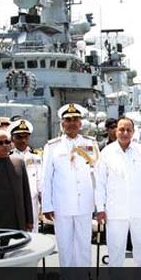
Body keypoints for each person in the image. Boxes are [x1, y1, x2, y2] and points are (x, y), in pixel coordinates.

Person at [95, 117, 141, 267]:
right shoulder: (107, 153)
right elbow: (100, 184)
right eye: (121, 129)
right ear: (115, 131)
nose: (125, 133)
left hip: (139, 210)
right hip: (115, 211)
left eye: (128, 130)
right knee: (116, 251)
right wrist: (100, 209)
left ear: (133, 132)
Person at [42, 103, 99, 267]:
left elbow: (97, 174)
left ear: (81, 123)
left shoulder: (90, 144)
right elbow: (47, 178)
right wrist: (47, 205)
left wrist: (99, 203)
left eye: (75, 119)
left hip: (85, 204)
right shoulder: (52, 147)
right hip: (62, 205)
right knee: (65, 246)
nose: (72, 123)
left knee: (84, 245)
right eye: (68, 119)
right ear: (62, 123)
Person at [9, 119, 43, 233]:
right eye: (19, 137)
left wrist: (44, 203)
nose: (23, 140)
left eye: (26, 137)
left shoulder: (36, 158)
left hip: (33, 204)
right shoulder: (7, 158)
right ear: (12, 138)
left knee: (33, 234)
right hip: (13, 204)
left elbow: (40, 182)